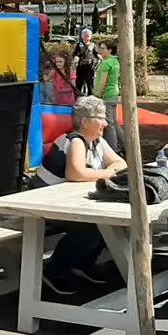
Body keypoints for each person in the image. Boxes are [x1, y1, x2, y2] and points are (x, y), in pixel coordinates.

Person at [33, 96, 128, 295]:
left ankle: (84, 263)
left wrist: (106, 171)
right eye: (100, 118)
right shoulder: (75, 140)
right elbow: (75, 174)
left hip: (65, 203)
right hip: (43, 205)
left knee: (108, 224)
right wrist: (108, 173)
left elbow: (121, 163)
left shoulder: (97, 141)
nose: (105, 122)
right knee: (90, 229)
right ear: (85, 122)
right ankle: (54, 271)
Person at [93, 40, 120, 150]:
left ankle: (113, 149)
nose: (100, 50)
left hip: (106, 95)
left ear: (110, 50)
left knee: (109, 125)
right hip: (113, 93)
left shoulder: (106, 63)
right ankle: (124, 145)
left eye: (103, 48)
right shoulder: (115, 61)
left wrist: (97, 95)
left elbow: (102, 81)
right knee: (114, 123)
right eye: (100, 48)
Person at [73, 29, 96, 96]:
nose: (86, 37)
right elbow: (76, 54)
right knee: (79, 84)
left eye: (88, 36)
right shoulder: (79, 44)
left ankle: (90, 99)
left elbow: (96, 54)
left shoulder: (93, 45)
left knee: (90, 84)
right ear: (82, 36)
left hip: (89, 67)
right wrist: (76, 57)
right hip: (81, 67)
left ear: (90, 37)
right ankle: (77, 99)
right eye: (85, 36)